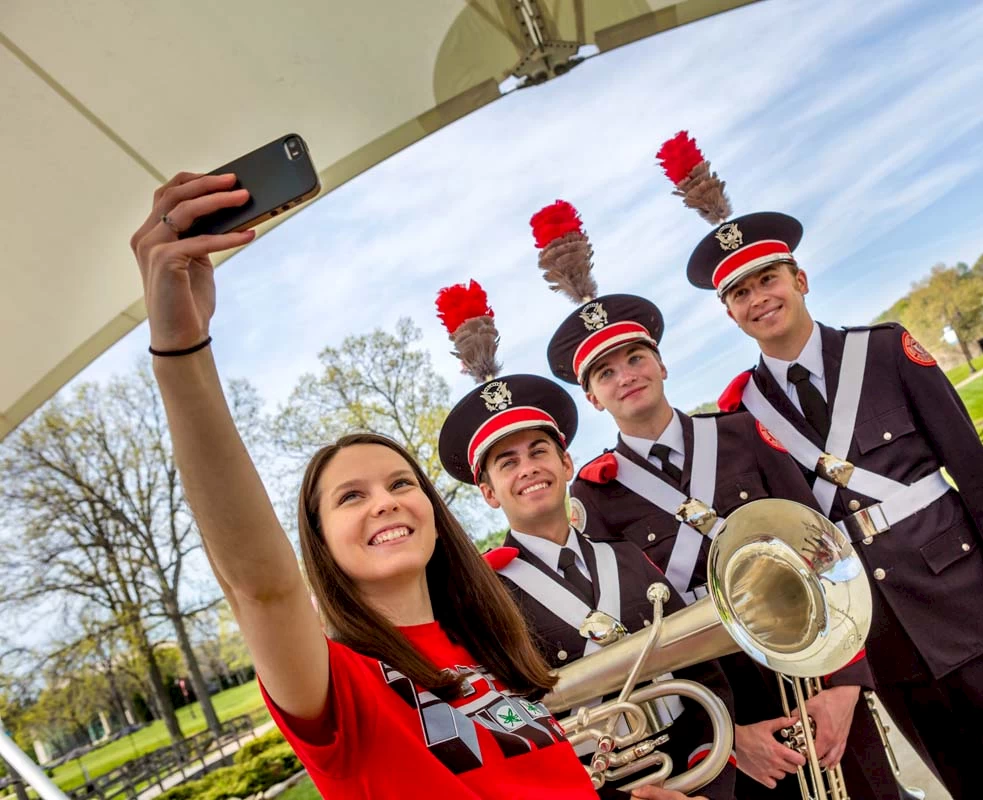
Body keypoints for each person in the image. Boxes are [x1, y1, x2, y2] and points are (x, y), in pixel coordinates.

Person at [129, 171, 706, 800]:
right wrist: (180, 346)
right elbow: (261, 589)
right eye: (350, 497)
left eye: (402, 484)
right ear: (319, 540)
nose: (385, 502)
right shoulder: (338, 684)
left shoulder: (488, 645)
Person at [662, 132, 983, 800]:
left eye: (767, 277)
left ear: (800, 279)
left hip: (978, 611)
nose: (758, 297)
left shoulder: (885, 354)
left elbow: (979, 477)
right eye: (739, 292)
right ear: (728, 312)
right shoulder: (742, 414)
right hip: (886, 644)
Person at [529, 200, 905, 799]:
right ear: (595, 399)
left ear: (661, 362)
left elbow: (822, 546)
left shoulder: (737, 434)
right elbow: (636, 637)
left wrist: (845, 684)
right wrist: (728, 736)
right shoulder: (593, 495)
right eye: (604, 373)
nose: (625, 375)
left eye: (634, 357)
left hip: (812, 662)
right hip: (727, 701)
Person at [433, 279, 738, 799]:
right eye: (507, 463)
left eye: (539, 452)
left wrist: (708, 779)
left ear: (566, 461)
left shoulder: (624, 557)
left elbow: (704, 675)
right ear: (487, 492)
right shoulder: (483, 596)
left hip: (695, 775)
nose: (529, 469)